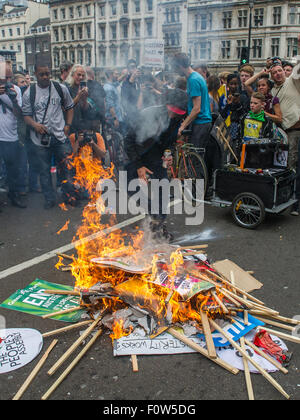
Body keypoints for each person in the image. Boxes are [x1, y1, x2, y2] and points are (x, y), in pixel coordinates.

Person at [125, 89, 188, 241]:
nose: (173, 116)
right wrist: (139, 166)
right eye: (171, 111)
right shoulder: (147, 115)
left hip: (155, 159)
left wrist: (169, 154)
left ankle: (158, 225)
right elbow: (128, 141)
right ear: (166, 104)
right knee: (131, 188)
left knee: (163, 191)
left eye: (177, 113)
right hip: (136, 156)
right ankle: (153, 215)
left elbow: (169, 143)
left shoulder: (177, 119)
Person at [22, 63, 76, 209]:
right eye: (42, 74)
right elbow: (26, 116)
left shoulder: (60, 88)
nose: (46, 77)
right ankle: (49, 199)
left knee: (67, 168)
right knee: (44, 172)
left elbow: (70, 108)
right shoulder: (29, 93)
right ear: (36, 75)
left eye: (48, 73)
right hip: (40, 140)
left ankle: (69, 195)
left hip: (59, 137)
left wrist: (67, 126)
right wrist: (35, 125)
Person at [172, 53, 212, 148]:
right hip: (203, 123)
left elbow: (196, 109)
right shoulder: (196, 76)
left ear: (180, 66)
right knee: (197, 157)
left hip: (200, 123)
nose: (175, 71)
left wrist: (182, 126)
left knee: (194, 159)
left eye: (175, 68)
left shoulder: (193, 80)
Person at [270, 44, 300, 171]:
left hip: (297, 128)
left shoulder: (292, 80)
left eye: (280, 71)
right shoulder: (271, 91)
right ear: (271, 76)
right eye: (274, 72)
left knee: (293, 162)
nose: (278, 74)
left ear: (284, 71)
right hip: (284, 132)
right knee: (287, 163)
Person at [0, 60, 25, 208]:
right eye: (5, 78)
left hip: (10, 136)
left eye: (10, 77)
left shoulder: (16, 89)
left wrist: (13, 99)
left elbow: (19, 114)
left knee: (12, 170)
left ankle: (14, 196)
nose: (8, 81)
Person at [66, 65, 93, 135]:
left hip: (80, 127)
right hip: (69, 126)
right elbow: (67, 107)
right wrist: (78, 96)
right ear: (72, 75)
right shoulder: (66, 88)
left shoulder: (83, 88)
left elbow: (85, 109)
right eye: (78, 75)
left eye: (83, 75)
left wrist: (84, 99)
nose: (81, 77)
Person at [121, 59, 141, 129]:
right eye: (132, 67)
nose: (135, 69)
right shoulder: (125, 83)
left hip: (140, 115)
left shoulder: (138, 81)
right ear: (128, 70)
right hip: (131, 117)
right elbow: (124, 100)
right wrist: (132, 77)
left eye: (135, 67)